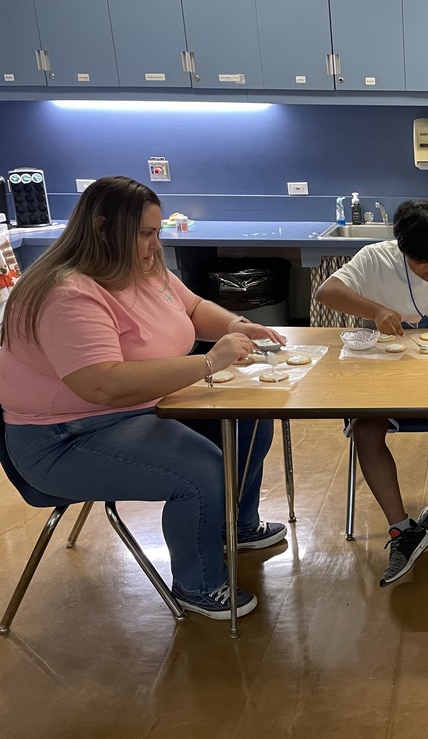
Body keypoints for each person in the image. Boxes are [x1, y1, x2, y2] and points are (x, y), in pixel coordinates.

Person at [0, 176, 288, 621]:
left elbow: (190, 308)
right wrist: (210, 363)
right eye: (146, 234)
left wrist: (234, 325)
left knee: (248, 419)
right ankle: (199, 584)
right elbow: (102, 384)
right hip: (64, 437)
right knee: (200, 469)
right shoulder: (68, 293)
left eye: (156, 233)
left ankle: (239, 525)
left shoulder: (141, 269)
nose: (155, 246)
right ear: (101, 228)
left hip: (138, 408)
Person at [313, 199, 428, 587]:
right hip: (385, 376)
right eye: (421, 263)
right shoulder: (374, 257)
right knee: (365, 428)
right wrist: (375, 309)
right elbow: (327, 292)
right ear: (401, 250)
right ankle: (400, 528)